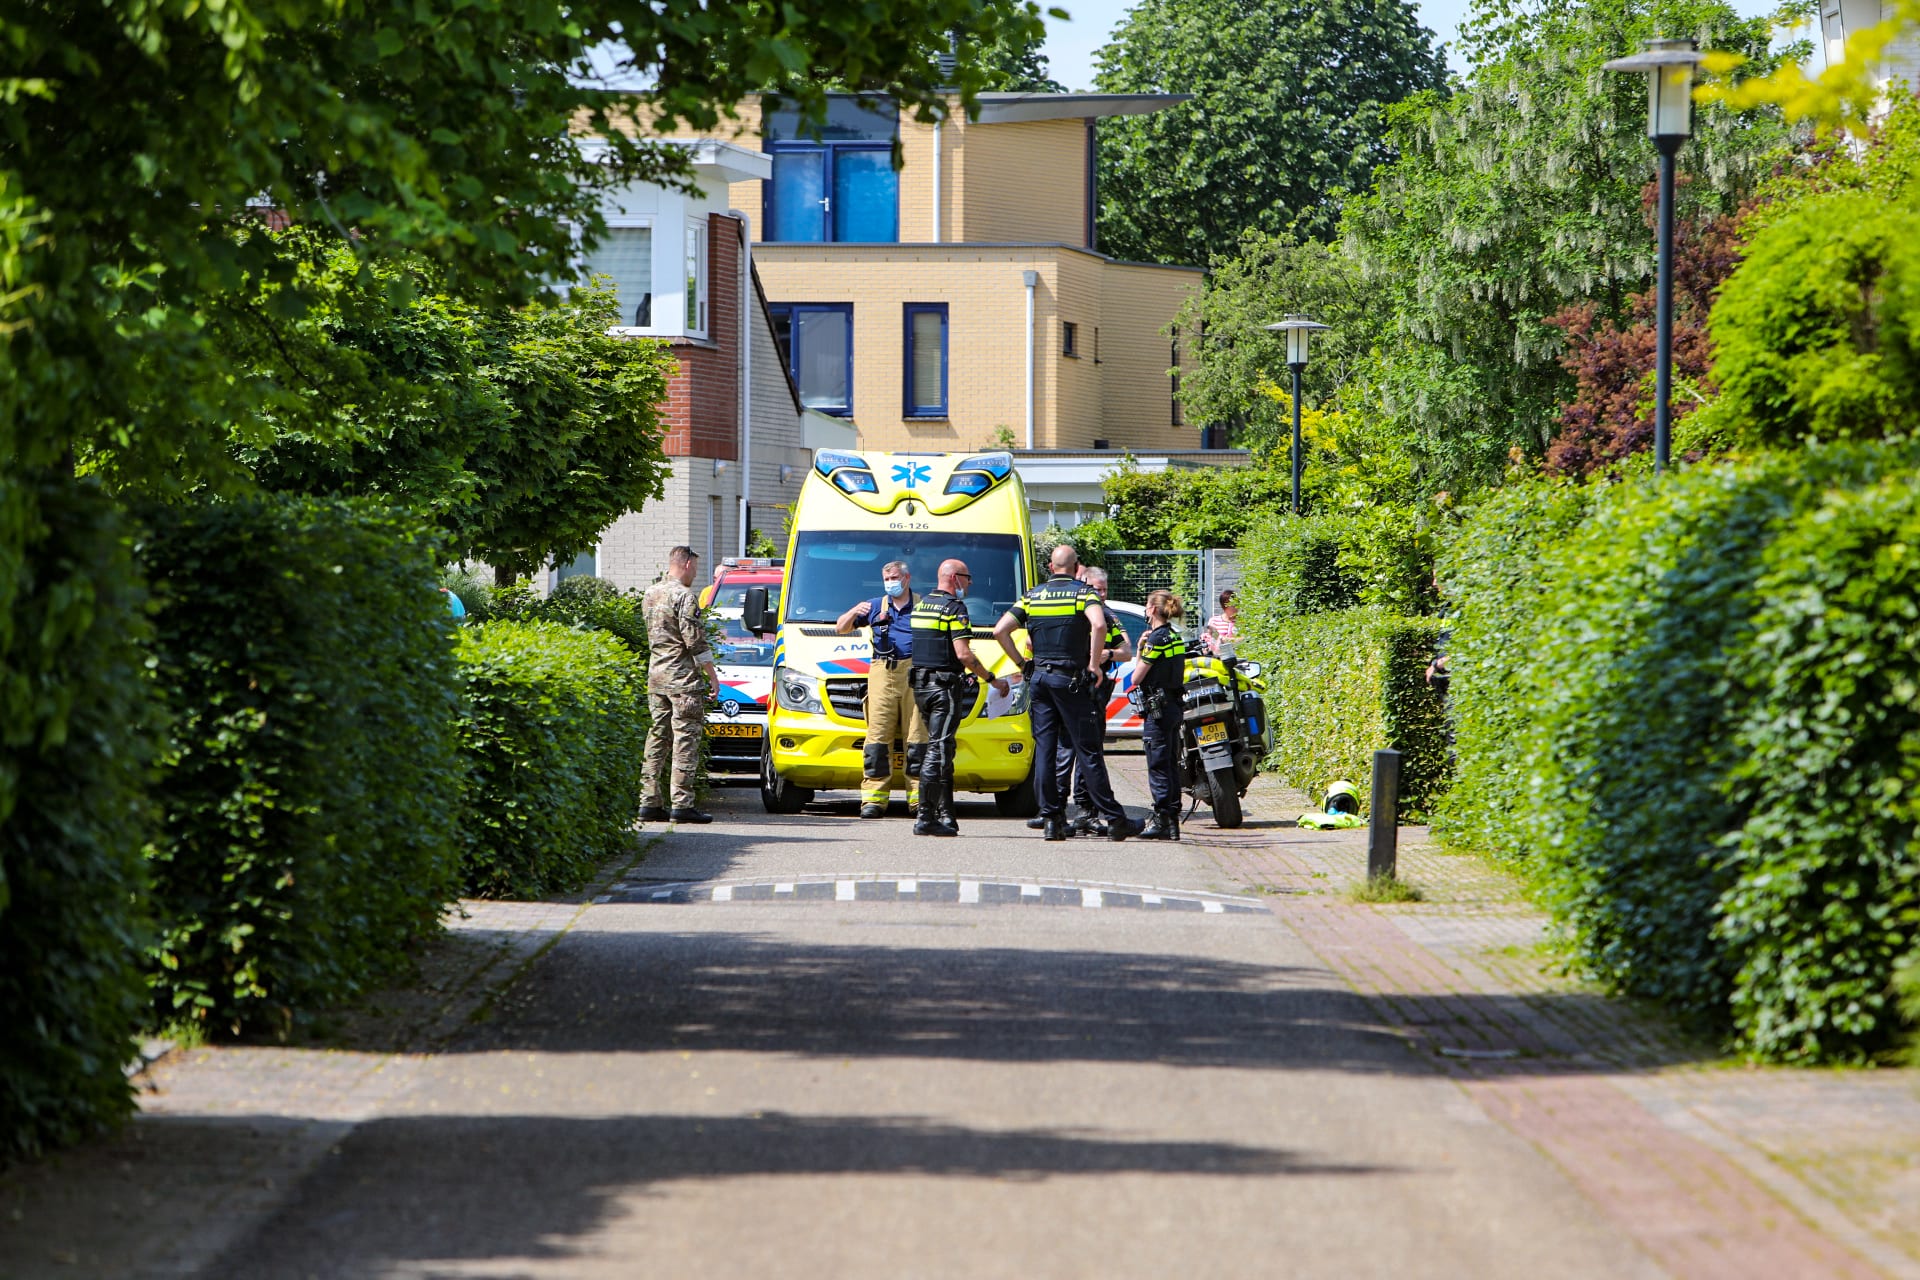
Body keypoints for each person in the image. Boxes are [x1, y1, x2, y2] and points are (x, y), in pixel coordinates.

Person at [994, 546, 1140, 842]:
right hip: (1071, 680)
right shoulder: (1083, 594)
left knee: (1046, 750)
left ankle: (1052, 819)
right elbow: (1098, 624)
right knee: (1088, 750)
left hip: (1040, 679)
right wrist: (1093, 664)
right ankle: (1114, 819)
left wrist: (1022, 664)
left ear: (1051, 566)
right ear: (1076, 568)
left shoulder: (1032, 596)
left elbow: (1000, 631)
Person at [1026, 565, 1130, 835]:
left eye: (1103, 590)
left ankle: (1085, 811)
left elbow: (1126, 650)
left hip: (1089, 688)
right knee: (1062, 751)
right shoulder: (1071, 608)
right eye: (1095, 589)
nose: (1100, 594)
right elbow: (1030, 641)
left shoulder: (1106, 615)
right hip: (1067, 683)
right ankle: (1054, 810)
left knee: (1085, 750)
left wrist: (1102, 656)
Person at [909, 559, 1009, 837]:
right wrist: (992, 678)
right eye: (967, 577)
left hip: (921, 686)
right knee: (939, 751)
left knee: (943, 749)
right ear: (954, 577)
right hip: (944, 687)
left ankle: (947, 815)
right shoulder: (954, 608)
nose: (970, 582)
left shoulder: (921, 606)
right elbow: (963, 654)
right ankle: (925, 817)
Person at [836, 560, 928, 819]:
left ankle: (919, 800)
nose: (890, 583)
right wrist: (855, 611)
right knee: (877, 739)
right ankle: (873, 800)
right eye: (886, 579)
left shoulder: (923, 606)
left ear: (907, 578)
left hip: (915, 675)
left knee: (917, 739)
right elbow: (840, 627)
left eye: (894, 578)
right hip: (883, 673)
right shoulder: (875, 606)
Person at [639, 545, 722, 825]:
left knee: (657, 737)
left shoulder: (651, 593)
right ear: (686, 564)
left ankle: (649, 802)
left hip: (656, 678)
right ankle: (682, 804)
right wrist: (712, 676)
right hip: (682, 682)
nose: (695, 574)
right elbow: (694, 640)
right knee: (685, 739)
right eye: (695, 568)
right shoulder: (684, 596)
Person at [1132, 590, 1190, 841]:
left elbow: (1136, 677)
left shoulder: (1156, 640)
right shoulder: (1175, 636)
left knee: (1157, 765)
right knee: (1170, 763)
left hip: (1158, 710)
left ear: (1154, 610)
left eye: (1147, 606)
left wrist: (1140, 648)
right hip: (1174, 707)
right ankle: (1172, 821)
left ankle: (1161, 820)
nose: (1145, 610)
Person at [1202, 588, 1240, 655]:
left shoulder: (1241, 622)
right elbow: (1210, 640)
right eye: (1233, 605)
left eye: (1237, 605)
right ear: (1224, 606)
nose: (1236, 608)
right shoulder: (1214, 621)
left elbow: (1245, 639)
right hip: (1218, 656)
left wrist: (1227, 640)